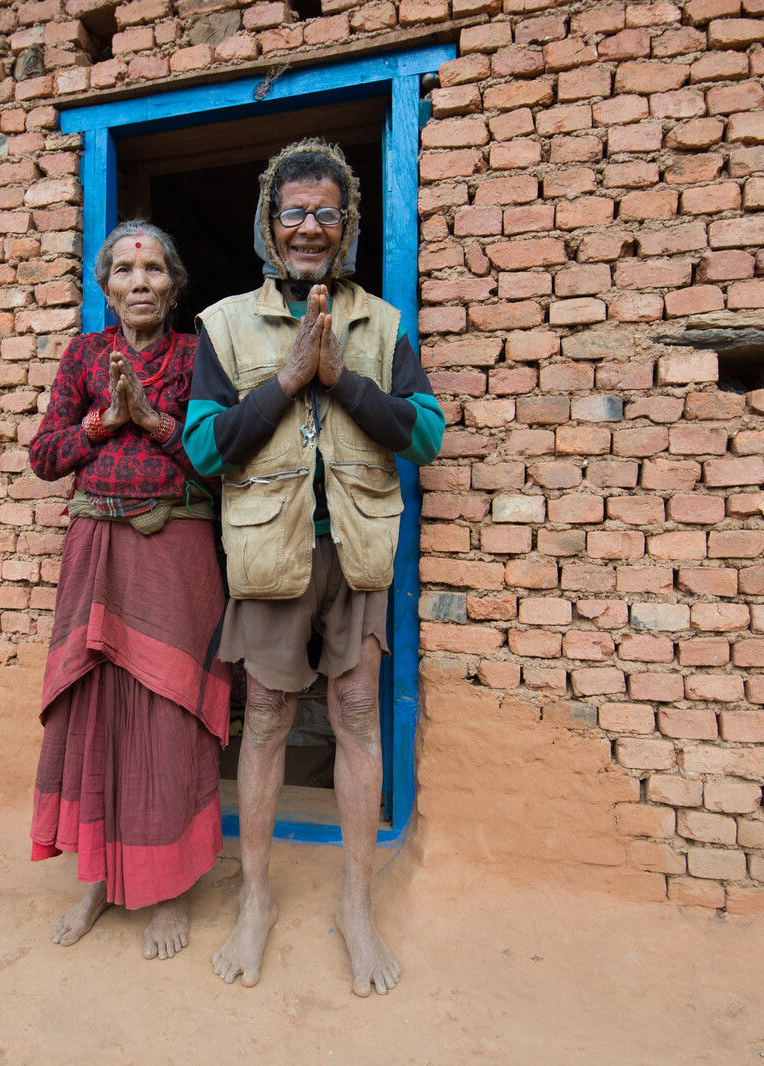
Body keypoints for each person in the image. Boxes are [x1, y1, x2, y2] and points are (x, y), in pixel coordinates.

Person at [184, 139, 444, 996]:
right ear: (269, 223)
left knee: (358, 713)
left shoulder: (383, 325)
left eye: (326, 212)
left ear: (347, 225)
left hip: (358, 550)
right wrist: (287, 379)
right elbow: (200, 449)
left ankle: (357, 907)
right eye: (293, 212)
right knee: (262, 718)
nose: (309, 227)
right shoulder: (223, 325)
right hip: (269, 550)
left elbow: (429, 435)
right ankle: (255, 900)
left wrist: (341, 378)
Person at [27, 220, 229, 961]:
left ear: (173, 283)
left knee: (170, 711)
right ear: (105, 285)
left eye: (152, 269)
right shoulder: (83, 355)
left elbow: (221, 464)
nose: (138, 281)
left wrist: (154, 422)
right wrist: (101, 423)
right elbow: (45, 457)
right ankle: (97, 879)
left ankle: (169, 887)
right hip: (94, 548)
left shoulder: (199, 356)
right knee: (94, 711)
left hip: (175, 549)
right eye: (123, 269)